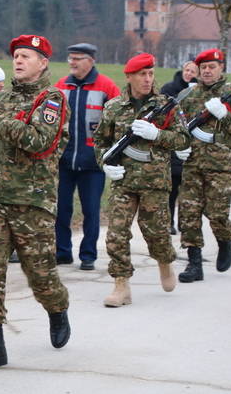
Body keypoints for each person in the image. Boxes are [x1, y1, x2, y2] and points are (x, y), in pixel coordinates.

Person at [0, 34, 71, 372]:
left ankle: (57, 308)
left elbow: (39, 141)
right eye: (16, 56)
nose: (19, 61)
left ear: (43, 63)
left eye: (27, 56)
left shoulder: (52, 99)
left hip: (32, 202)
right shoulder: (2, 98)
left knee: (40, 273)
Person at [93, 53, 191, 307]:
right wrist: (105, 163)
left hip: (154, 182)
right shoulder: (114, 107)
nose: (148, 79)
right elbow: (100, 142)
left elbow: (183, 139)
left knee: (156, 233)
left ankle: (164, 261)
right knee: (116, 233)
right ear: (129, 77)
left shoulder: (166, 105)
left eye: (150, 74)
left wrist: (157, 134)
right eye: (142, 74)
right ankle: (121, 285)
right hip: (123, 181)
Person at [176, 48, 231, 283]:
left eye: (212, 67)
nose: (207, 71)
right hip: (192, 164)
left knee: (217, 214)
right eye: (203, 67)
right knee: (188, 213)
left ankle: (225, 240)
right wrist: (178, 145)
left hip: (221, 165)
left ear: (221, 68)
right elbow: (178, 127)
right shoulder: (189, 95)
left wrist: (224, 116)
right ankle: (194, 263)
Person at [54, 43, 120, 270]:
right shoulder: (60, 86)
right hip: (63, 162)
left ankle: (88, 255)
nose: (72, 62)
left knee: (91, 210)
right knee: (62, 209)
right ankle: (62, 252)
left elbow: (118, 123)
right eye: (70, 58)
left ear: (91, 61)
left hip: (93, 164)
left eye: (77, 58)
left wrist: (108, 155)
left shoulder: (107, 87)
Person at [160, 60, 199, 234]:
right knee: (172, 186)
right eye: (187, 70)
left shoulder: (199, 92)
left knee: (189, 189)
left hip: (193, 144)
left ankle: (186, 223)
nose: (189, 74)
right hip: (173, 143)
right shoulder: (170, 89)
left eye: (193, 71)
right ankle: (169, 221)